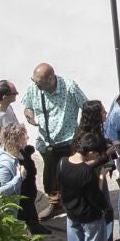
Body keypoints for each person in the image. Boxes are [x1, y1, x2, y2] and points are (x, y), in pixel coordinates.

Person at [22, 63, 89, 218]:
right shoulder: (34, 88)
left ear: (50, 78)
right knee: (51, 176)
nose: (36, 85)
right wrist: (29, 115)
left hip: (68, 141)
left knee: (70, 175)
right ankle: (56, 204)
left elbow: (86, 107)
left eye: (39, 82)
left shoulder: (69, 87)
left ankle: (74, 203)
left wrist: (81, 132)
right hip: (46, 142)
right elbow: (27, 106)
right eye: (34, 81)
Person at [60, 132, 112, 241]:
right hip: (90, 216)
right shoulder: (86, 172)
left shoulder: (63, 163)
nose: (96, 157)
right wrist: (101, 177)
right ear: (90, 152)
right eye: (96, 154)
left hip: (71, 214)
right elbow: (96, 198)